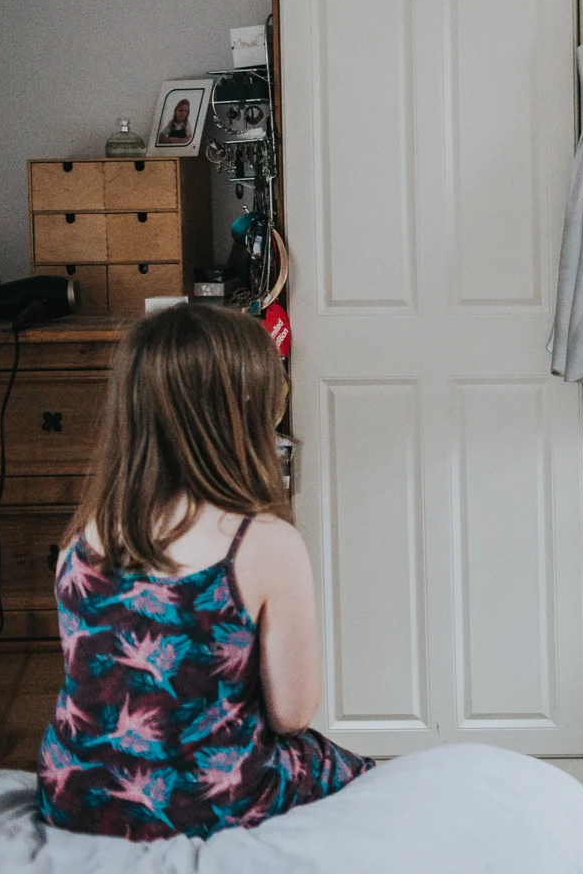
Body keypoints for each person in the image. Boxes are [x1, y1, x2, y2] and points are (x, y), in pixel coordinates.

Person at [35, 303, 371, 841]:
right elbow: (292, 714)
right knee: (358, 776)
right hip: (200, 801)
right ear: (242, 411)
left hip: (71, 792)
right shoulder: (262, 542)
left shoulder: (86, 536)